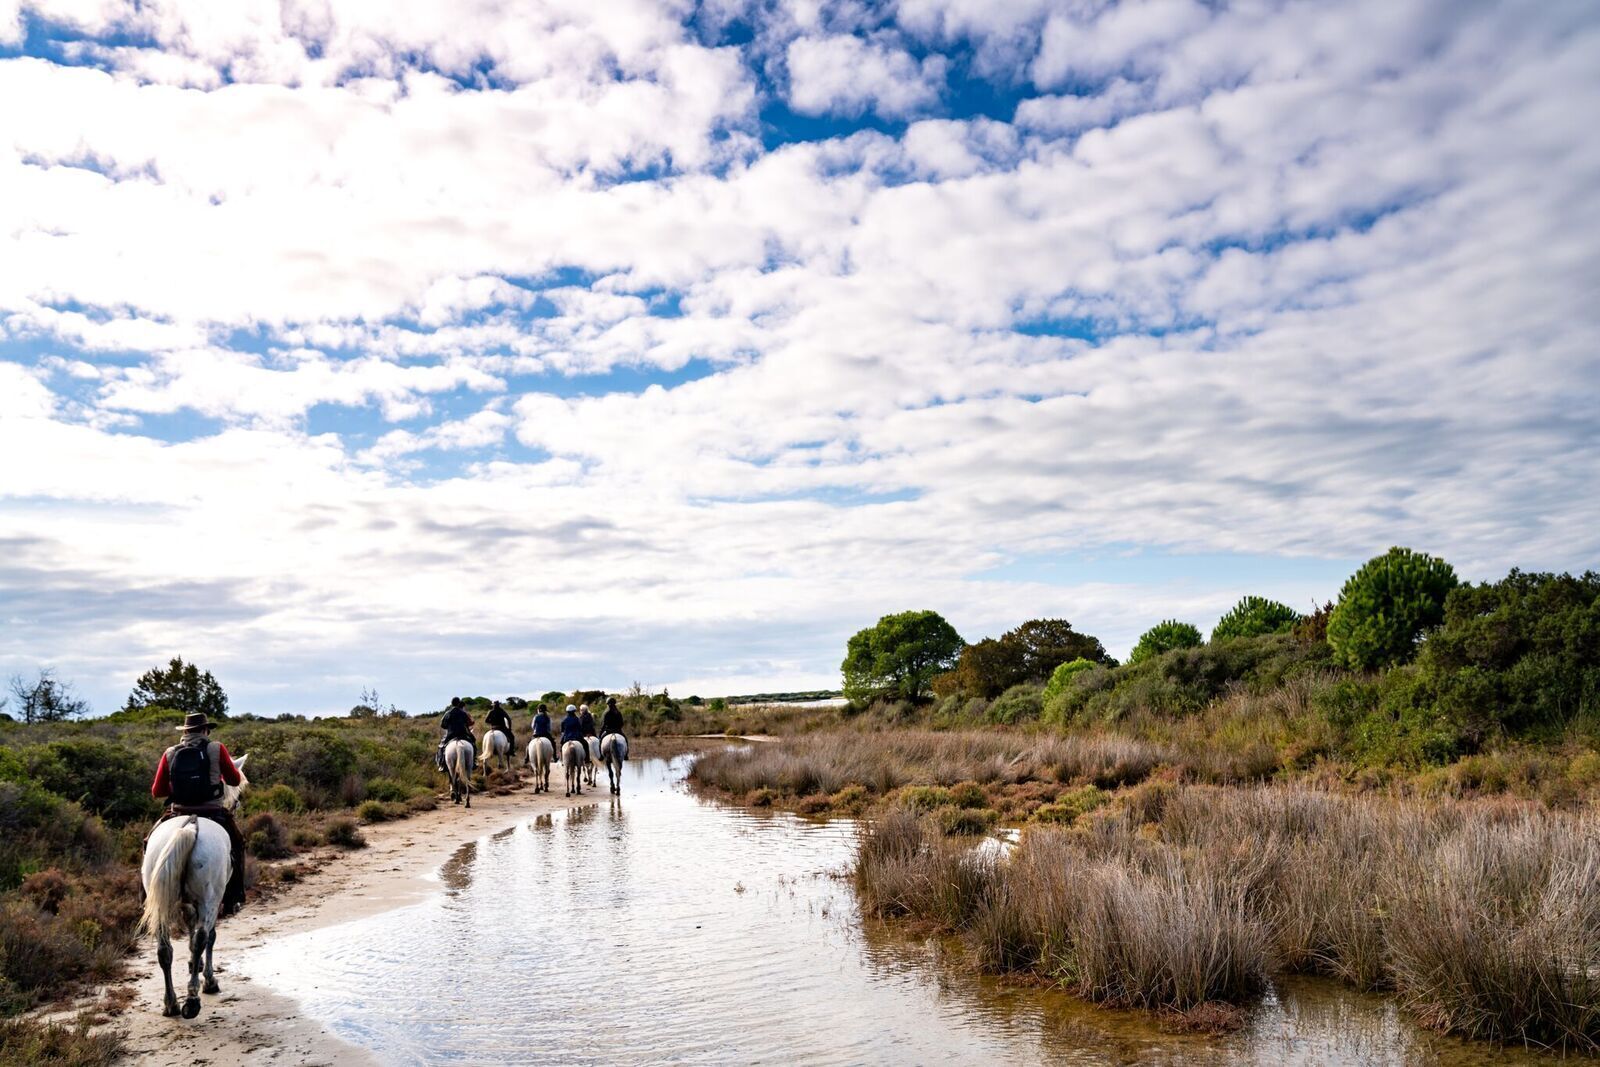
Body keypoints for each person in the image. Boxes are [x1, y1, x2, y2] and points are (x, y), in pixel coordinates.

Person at [149, 712, 247, 916]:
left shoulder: (170, 753)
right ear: (205, 730)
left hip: (178, 811)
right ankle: (234, 896)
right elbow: (235, 780)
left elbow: (157, 791)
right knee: (238, 844)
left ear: (185, 732)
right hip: (211, 810)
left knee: (148, 842)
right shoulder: (216, 748)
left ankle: (145, 896)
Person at [436, 696, 475, 771]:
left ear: (452, 703)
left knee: (441, 747)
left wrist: (449, 727)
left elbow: (442, 724)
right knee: (473, 743)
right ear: (459, 703)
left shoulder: (448, 713)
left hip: (451, 735)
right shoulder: (463, 713)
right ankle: (474, 761)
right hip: (463, 734)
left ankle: (442, 764)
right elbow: (469, 723)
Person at [599, 696, 626, 762]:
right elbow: (622, 723)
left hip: (608, 731)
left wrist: (600, 733)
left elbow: (604, 724)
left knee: (600, 740)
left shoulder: (606, 713)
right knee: (625, 740)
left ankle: (601, 756)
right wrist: (618, 728)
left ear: (608, 704)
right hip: (618, 731)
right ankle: (626, 755)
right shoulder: (618, 712)